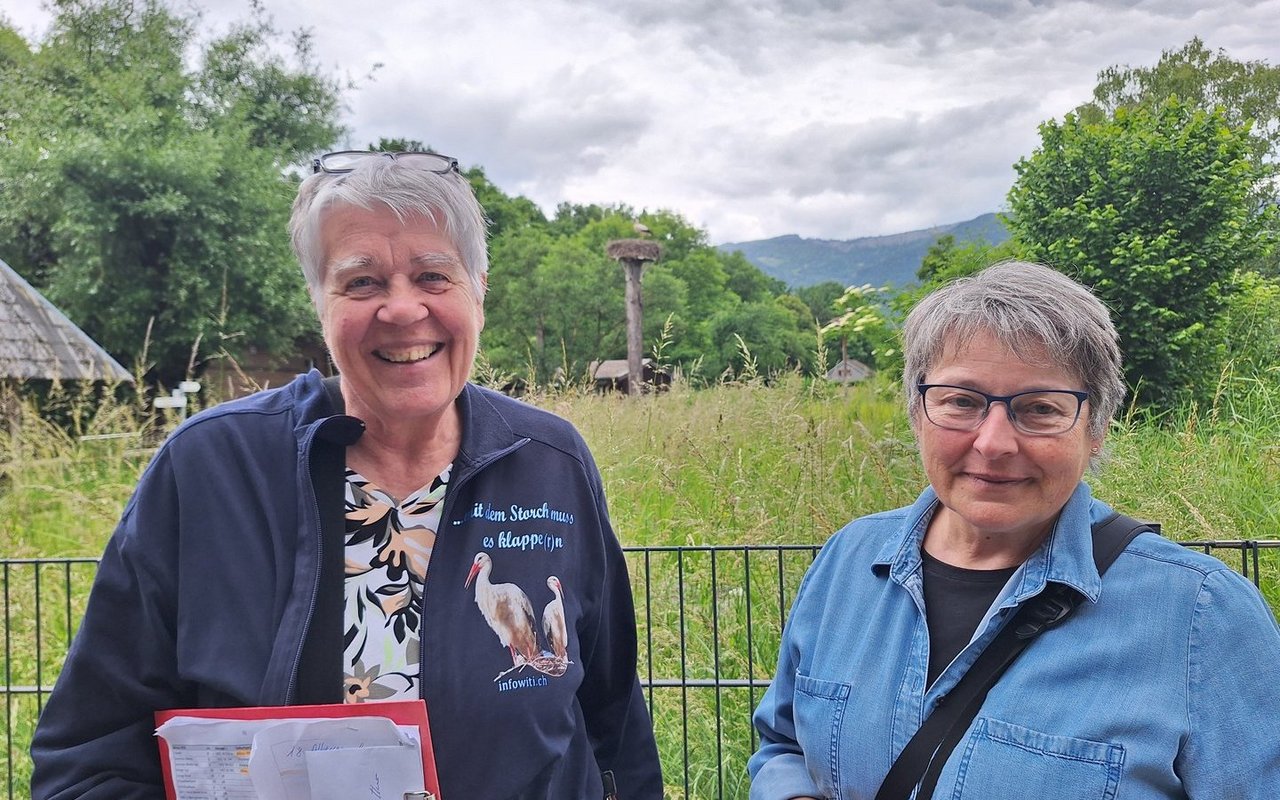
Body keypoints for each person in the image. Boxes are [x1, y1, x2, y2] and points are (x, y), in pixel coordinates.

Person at [30, 150, 663, 799]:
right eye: (362, 282)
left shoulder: (549, 462)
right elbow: (87, 757)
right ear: (319, 302)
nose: (401, 309)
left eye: (433, 275)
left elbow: (613, 727)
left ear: (479, 289)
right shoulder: (210, 469)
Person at [748, 261, 1280, 799]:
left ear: (1096, 429)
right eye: (960, 401)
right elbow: (784, 742)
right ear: (917, 412)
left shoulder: (1201, 617)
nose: (994, 442)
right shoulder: (849, 559)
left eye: (1040, 408)